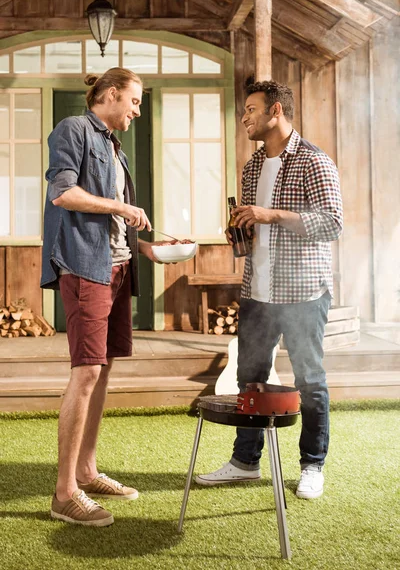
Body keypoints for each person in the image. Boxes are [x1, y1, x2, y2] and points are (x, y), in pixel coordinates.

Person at [196, 80, 343, 499]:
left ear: (276, 110)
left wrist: (271, 215)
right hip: (257, 290)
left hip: (302, 294)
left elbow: (332, 222)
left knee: (309, 380)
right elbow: (257, 226)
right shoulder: (252, 167)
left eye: (251, 109)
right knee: (249, 379)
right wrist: (241, 232)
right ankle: (245, 461)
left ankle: (312, 465)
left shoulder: (315, 162)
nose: (244, 117)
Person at [41, 67, 167, 526]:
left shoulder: (114, 145)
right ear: (111, 95)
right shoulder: (74, 129)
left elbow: (115, 219)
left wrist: (148, 248)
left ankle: (86, 470)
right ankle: (63, 493)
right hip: (84, 266)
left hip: (117, 266)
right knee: (87, 370)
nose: (137, 110)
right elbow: (64, 193)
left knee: (104, 367)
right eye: (133, 101)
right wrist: (121, 205)